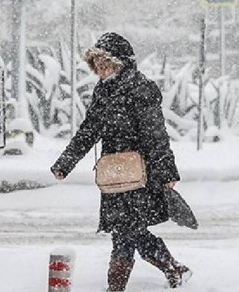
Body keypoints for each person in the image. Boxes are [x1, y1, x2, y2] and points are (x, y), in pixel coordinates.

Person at [50, 32, 192, 291]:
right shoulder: (102, 91)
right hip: (114, 174)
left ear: (120, 62)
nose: (101, 68)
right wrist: (64, 163)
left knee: (126, 232)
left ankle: (117, 288)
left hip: (140, 173)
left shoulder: (140, 88)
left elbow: (155, 134)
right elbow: (89, 130)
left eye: (106, 63)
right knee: (128, 231)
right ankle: (174, 269)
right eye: (97, 63)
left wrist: (167, 172)